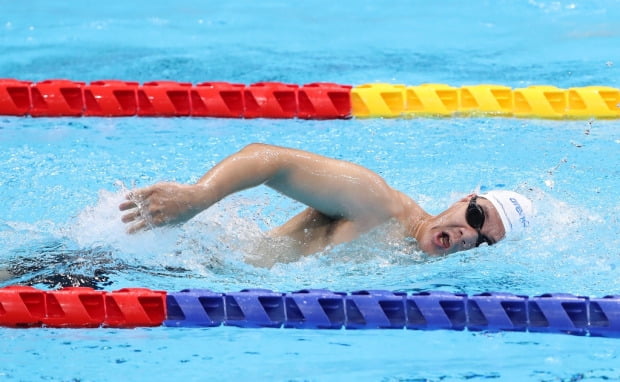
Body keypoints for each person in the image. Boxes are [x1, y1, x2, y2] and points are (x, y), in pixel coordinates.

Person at [119, 143, 533, 256]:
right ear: (464, 199)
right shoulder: (378, 204)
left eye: (482, 241)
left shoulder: (413, 261)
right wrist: (198, 196)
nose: (467, 234)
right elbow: (271, 160)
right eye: (476, 215)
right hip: (177, 265)